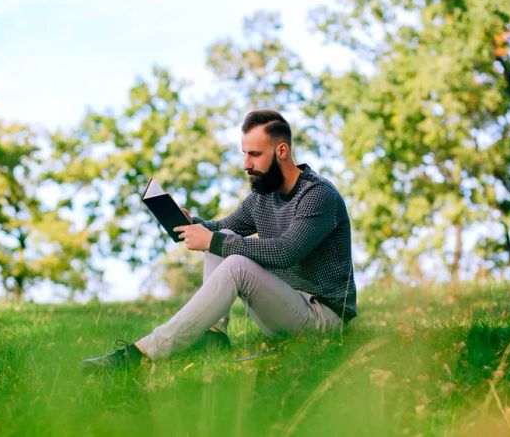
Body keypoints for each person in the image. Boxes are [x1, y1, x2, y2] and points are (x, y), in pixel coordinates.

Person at [82, 110, 357, 370]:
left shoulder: (318, 195)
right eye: (244, 154)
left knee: (232, 257)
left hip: (323, 318)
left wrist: (211, 239)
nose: (246, 164)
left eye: (255, 154)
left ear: (281, 151)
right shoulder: (263, 196)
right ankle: (214, 336)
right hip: (285, 306)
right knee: (223, 238)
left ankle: (143, 354)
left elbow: (288, 251)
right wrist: (192, 224)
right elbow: (224, 229)